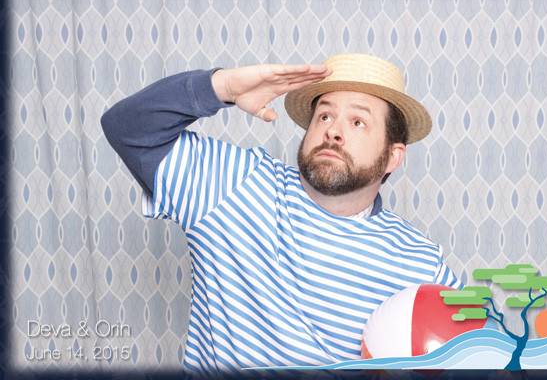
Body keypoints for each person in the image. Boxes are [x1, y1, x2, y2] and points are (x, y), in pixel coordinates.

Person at [101, 53, 462, 376]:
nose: (333, 131)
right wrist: (222, 85)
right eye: (324, 115)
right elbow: (127, 128)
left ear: (392, 157)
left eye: (357, 123)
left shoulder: (421, 264)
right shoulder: (237, 184)